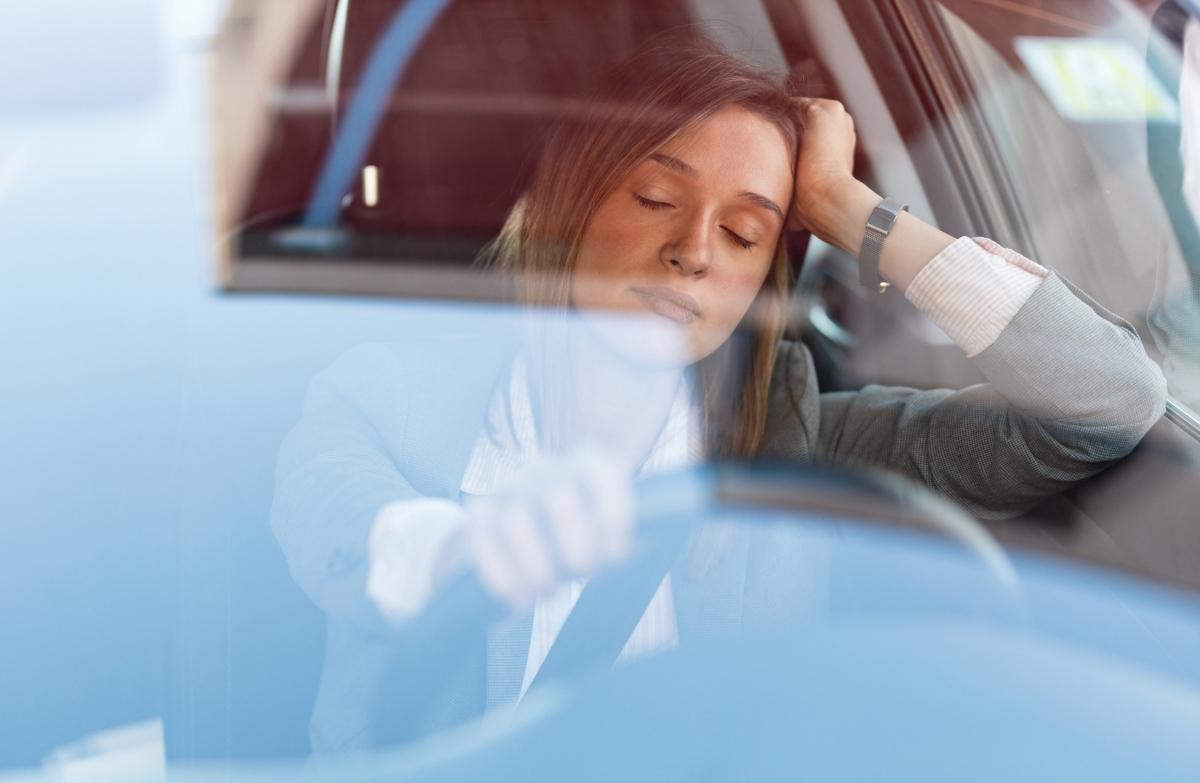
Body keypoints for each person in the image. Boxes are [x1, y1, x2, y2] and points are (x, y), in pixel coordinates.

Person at [270, 35, 1167, 754]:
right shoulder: (383, 399)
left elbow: (1107, 404)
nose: (696, 251)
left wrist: (848, 207)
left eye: (745, 232)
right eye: (658, 197)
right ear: (564, 205)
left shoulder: (795, 444)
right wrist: (467, 553)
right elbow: (349, 530)